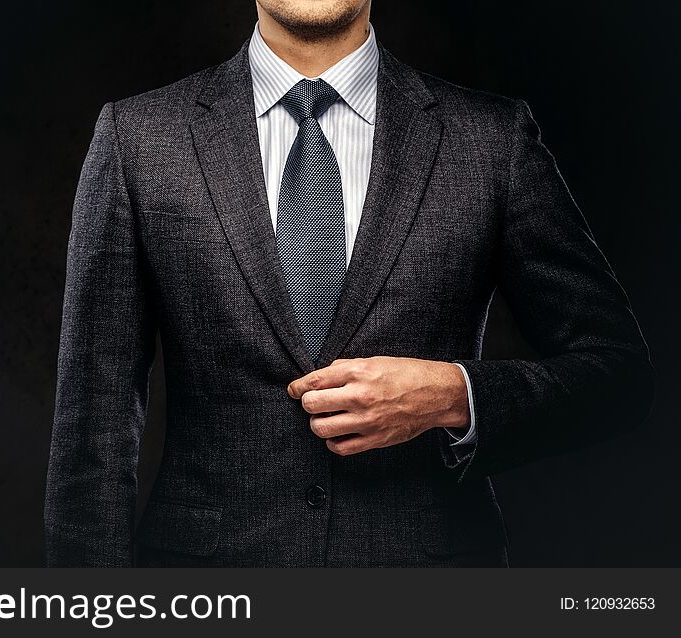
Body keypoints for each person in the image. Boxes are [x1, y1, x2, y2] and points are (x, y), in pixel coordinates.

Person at [44, 0, 654, 567]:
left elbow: (617, 374)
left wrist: (454, 395)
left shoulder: (491, 140)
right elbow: (90, 432)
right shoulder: (138, 137)